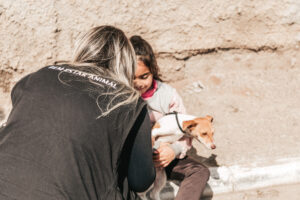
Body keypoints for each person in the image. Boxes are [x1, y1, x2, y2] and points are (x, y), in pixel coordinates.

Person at [0, 26, 155, 200]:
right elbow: (141, 181)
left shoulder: (36, 77)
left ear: (83, 49)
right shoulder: (129, 102)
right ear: (127, 62)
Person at [130, 35, 210, 200]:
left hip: (164, 156)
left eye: (144, 76)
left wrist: (173, 150)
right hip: (136, 160)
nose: (138, 83)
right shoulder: (122, 96)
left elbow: (187, 131)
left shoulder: (168, 95)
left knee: (199, 171)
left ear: (152, 70)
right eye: (132, 77)